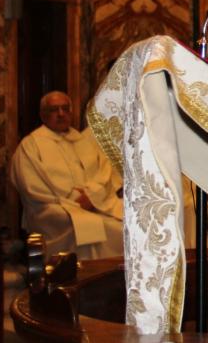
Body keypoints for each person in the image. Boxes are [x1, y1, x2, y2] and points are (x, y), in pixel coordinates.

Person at [10, 91, 124, 260]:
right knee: (98, 227)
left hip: (95, 204)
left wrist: (92, 195)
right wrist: (74, 199)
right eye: (54, 110)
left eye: (65, 109)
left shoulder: (84, 141)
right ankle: (81, 274)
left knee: (125, 225)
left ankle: (111, 277)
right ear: (43, 115)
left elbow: (104, 173)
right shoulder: (31, 145)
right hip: (52, 208)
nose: (61, 114)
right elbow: (30, 185)